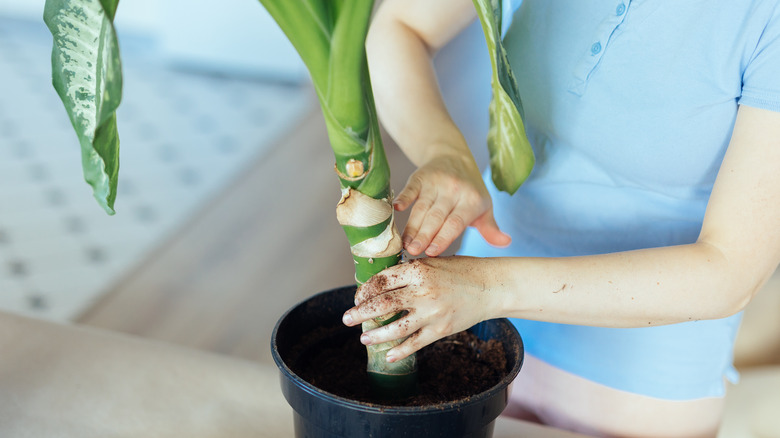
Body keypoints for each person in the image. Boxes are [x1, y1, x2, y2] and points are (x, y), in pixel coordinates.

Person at [339, 0, 780, 436]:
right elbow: (398, 26)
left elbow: (731, 271)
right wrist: (444, 150)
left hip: (641, 381)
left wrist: (488, 287)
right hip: (476, 329)